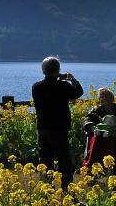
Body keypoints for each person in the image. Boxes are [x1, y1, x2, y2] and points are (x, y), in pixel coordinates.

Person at [32, 56, 84, 191]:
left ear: (43, 70)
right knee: (63, 159)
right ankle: (66, 187)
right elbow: (78, 93)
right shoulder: (64, 86)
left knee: (45, 159)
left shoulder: (36, 87)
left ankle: (46, 187)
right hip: (60, 128)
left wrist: (56, 77)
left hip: (43, 128)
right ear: (58, 70)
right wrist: (72, 79)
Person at [82, 88, 116, 170]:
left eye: (107, 96)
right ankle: (91, 164)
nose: (104, 98)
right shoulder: (96, 111)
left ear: (112, 98)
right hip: (99, 135)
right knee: (97, 138)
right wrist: (92, 128)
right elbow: (86, 121)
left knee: (110, 139)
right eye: (102, 97)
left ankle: (111, 165)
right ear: (99, 100)